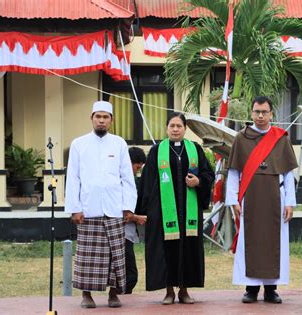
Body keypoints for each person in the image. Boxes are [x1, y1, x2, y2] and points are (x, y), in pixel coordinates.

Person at [225, 96, 298, 304]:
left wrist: (290, 203)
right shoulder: (241, 138)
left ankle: (271, 289)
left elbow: (288, 175)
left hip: (276, 197)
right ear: (251, 113)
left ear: (271, 114)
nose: (260, 116)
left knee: (274, 243)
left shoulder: (281, 138)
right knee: (251, 241)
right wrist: (233, 201)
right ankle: (251, 289)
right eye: (257, 112)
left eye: (264, 112)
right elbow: (233, 172)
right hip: (250, 198)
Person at [65, 101, 137, 308]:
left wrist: (128, 207)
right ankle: (86, 295)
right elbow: (73, 178)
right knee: (87, 256)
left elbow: (127, 178)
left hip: (114, 209)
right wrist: (75, 208)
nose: (101, 121)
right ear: (91, 118)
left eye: (106, 117)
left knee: (116, 255)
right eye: (98, 116)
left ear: (111, 120)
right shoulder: (79, 144)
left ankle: (114, 294)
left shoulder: (119, 143)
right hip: (88, 209)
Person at [137, 112, 215, 305]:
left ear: (185, 128)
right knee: (167, 250)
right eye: (172, 126)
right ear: (166, 128)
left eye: (179, 126)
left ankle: (185, 290)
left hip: (189, 210)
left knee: (188, 249)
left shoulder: (195, 149)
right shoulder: (157, 151)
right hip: (163, 211)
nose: (175, 129)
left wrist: (198, 181)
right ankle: (169, 291)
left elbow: (208, 174)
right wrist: (143, 209)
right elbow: (147, 181)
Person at [124, 147, 148, 294]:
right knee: (129, 271)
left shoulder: (133, 180)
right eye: (137, 167)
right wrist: (136, 217)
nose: (137, 171)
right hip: (122, 229)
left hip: (130, 230)